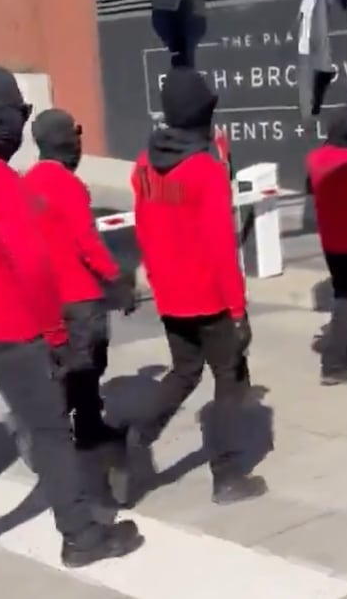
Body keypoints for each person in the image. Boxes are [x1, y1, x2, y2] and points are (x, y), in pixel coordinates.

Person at [0, 67, 143, 567]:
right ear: (0, 117)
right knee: (50, 432)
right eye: (18, 113)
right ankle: (81, 537)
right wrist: (56, 337)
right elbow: (32, 265)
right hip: (7, 334)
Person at [129, 68, 268, 505]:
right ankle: (227, 474)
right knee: (229, 379)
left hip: (171, 295)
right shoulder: (205, 169)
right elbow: (222, 247)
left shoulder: (144, 164)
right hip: (209, 297)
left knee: (184, 372)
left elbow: (145, 230)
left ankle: (135, 436)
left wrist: (157, 280)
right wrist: (238, 309)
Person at [23, 109, 136, 454]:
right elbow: (86, 241)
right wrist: (117, 280)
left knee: (65, 364)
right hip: (79, 295)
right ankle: (76, 430)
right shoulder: (68, 185)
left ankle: (81, 427)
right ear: (67, 141)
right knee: (87, 365)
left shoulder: (25, 184)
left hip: (44, 296)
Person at [305, 107, 347, 385]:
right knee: (346, 297)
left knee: (345, 292)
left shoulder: (314, 159)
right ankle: (334, 364)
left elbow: (312, 187)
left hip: (330, 240)